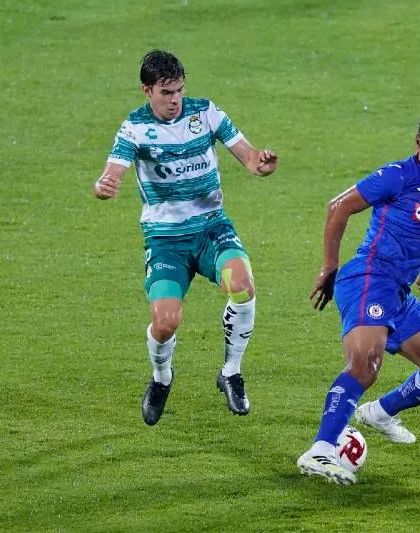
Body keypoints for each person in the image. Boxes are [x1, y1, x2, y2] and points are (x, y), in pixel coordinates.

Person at [93, 50, 278, 426]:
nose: (175, 98)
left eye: (178, 90)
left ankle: (230, 373)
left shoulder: (205, 113)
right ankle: (162, 378)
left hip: (211, 229)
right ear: (148, 91)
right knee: (165, 322)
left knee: (242, 286)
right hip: (166, 242)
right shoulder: (135, 128)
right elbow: (112, 172)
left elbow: (249, 157)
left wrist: (263, 164)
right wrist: (104, 184)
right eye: (166, 92)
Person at [297, 105, 420, 484]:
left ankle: (378, 413)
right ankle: (321, 450)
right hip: (368, 277)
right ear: (418, 143)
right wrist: (329, 266)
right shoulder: (398, 176)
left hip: (398, 293)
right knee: (365, 364)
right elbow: (338, 207)